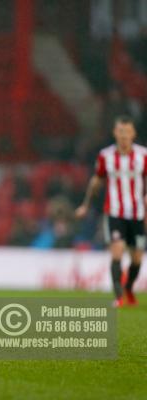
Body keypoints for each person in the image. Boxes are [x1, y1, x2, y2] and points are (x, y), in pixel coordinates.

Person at [75, 116, 146, 307]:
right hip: (114, 212)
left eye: (127, 132)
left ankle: (129, 287)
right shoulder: (106, 156)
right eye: (120, 131)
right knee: (117, 252)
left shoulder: (143, 155)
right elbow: (97, 180)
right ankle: (118, 296)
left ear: (133, 133)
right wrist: (86, 205)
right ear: (115, 133)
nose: (124, 135)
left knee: (137, 258)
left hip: (138, 214)